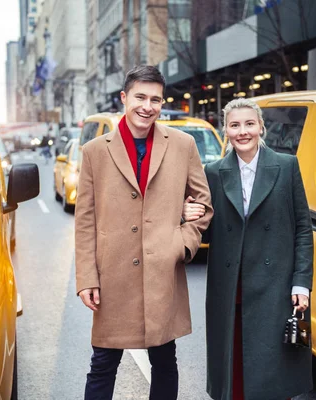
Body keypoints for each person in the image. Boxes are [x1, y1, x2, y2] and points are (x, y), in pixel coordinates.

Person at [75, 65, 213, 400]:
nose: (147, 106)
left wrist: (180, 244)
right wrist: (86, 279)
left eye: (155, 99)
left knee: (165, 361)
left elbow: (203, 205)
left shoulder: (182, 144)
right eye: (140, 97)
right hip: (113, 277)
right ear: (124, 98)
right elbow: (85, 221)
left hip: (162, 275)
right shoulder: (95, 151)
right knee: (103, 363)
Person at [183, 98, 314, 400]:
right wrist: (187, 213)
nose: (243, 132)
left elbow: (303, 230)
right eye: (235, 125)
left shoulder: (286, 166)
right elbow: (206, 226)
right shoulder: (213, 172)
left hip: (276, 286)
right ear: (226, 131)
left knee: (272, 374)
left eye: (249, 124)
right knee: (235, 371)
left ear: (261, 128)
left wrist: (301, 283)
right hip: (231, 287)